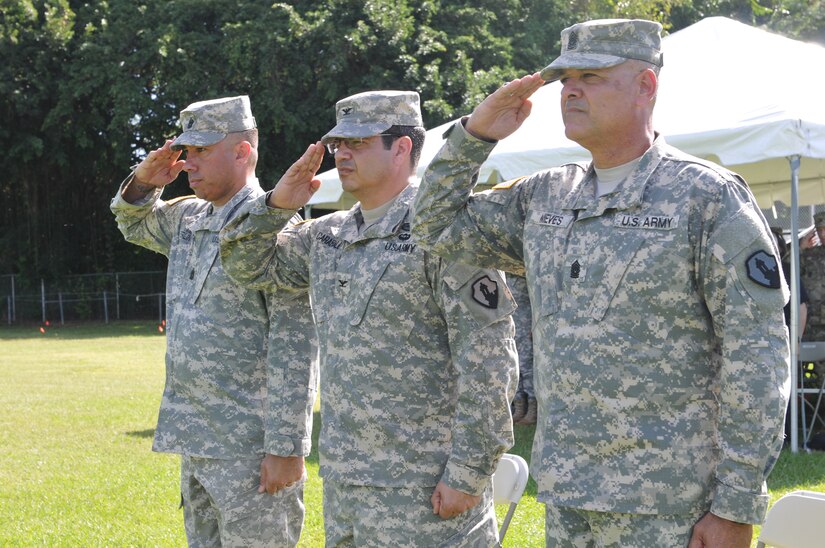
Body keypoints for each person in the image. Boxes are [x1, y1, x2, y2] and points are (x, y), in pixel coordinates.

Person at [412, 19, 790, 547]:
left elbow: (758, 354)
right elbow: (432, 226)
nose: (570, 90)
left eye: (591, 75)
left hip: (672, 504)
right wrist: (473, 137)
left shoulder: (705, 197)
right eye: (564, 78)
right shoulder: (545, 197)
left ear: (645, 86)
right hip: (570, 496)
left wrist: (736, 502)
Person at [219, 90, 518, 546]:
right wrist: (277, 206)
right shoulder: (328, 235)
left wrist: (469, 472)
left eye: (358, 143)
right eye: (338, 144)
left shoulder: (444, 234)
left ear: (401, 148)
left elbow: (490, 363)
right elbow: (245, 264)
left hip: (425, 487)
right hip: (347, 482)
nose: (341, 153)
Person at [111, 95, 319, 547]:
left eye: (202, 151)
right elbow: (133, 223)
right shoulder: (190, 217)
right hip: (197, 437)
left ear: (242, 151)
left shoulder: (277, 229)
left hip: (251, 446)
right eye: (186, 153)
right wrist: (143, 182)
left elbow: (296, 345)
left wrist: (286, 447)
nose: (189, 164)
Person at [508, 274, 536, 425]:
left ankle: (532, 410)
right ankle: (518, 408)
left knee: (527, 369)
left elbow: (536, 302)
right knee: (514, 368)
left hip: (526, 330)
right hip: (511, 331)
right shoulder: (503, 277)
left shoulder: (526, 277)